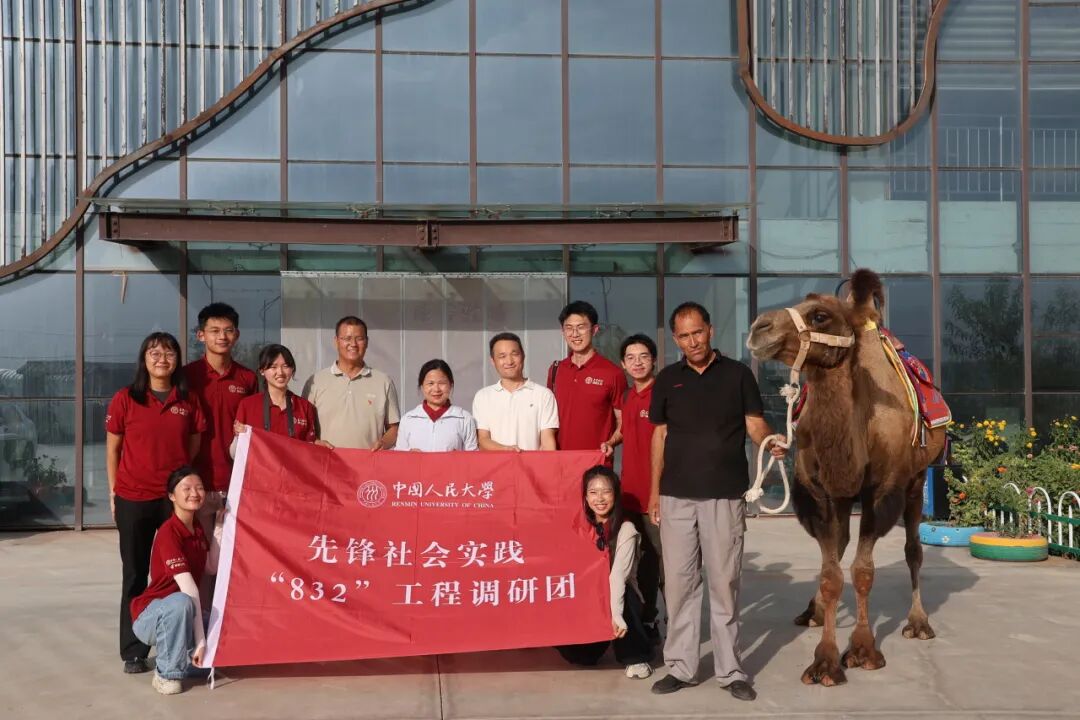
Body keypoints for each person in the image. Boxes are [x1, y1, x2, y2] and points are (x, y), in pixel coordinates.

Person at [647, 302, 785, 702]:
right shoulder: (668, 379)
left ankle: (730, 670)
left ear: (710, 330)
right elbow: (659, 436)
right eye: (684, 336)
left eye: (698, 332)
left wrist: (770, 441)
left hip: (724, 496)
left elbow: (754, 424)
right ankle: (681, 667)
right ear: (676, 340)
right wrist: (655, 491)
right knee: (679, 585)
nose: (692, 341)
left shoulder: (738, 375)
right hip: (675, 496)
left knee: (724, 584)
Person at [106, 332, 206, 675]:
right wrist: (114, 491)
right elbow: (113, 449)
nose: (162, 359)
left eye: (169, 353)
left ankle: (180, 644)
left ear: (177, 360)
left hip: (172, 500)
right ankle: (133, 650)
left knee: (175, 574)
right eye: (155, 353)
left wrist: (178, 485)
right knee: (134, 573)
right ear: (144, 359)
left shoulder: (187, 400)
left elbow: (193, 446)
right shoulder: (126, 398)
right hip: (133, 497)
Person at [556, 465, 654, 679]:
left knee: (624, 597)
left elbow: (618, 576)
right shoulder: (579, 526)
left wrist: (616, 615)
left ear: (615, 495)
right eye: (593, 492)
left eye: (606, 491)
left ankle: (635, 656)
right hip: (589, 599)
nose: (599, 498)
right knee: (580, 657)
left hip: (619, 597)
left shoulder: (626, 529)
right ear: (585, 496)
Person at [130, 466, 220, 695]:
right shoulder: (169, 532)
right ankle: (166, 674)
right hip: (152, 615)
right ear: (171, 496)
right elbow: (189, 590)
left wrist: (220, 526)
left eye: (199, 488)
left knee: (219, 622)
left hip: (183, 611)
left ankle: (188, 661)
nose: (194, 493)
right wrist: (201, 641)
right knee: (182, 602)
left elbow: (210, 567)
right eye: (186, 488)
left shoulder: (197, 528)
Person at [183, 303, 257, 537]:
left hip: (235, 480)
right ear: (201, 335)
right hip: (195, 480)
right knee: (198, 548)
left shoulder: (248, 378)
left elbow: (256, 428)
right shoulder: (187, 376)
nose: (222, 337)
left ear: (237, 335)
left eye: (228, 330)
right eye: (214, 331)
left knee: (232, 551)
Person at [617, 333, 664, 636]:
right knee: (639, 562)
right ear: (623, 364)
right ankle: (645, 620)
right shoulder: (627, 396)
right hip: (629, 496)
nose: (637, 363)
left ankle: (671, 626)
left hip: (655, 497)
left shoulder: (662, 394)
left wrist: (658, 494)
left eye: (643, 356)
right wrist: (608, 443)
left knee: (663, 564)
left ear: (654, 360)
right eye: (631, 358)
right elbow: (624, 430)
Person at [303, 315, 400, 450]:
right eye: (347, 338)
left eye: (359, 338)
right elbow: (304, 427)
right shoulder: (315, 382)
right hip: (326, 461)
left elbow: (394, 428)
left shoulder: (383, 381)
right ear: (336, 341)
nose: (353, 344)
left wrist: (383, 443)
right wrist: (316, 442)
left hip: (367, 462)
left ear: (367, 342)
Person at [547, 301, 625, 463]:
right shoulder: (556, 370)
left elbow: (624, 422)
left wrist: (610, 443)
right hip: (561, 463)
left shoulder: (613, 373)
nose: (575, 334)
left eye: (581, 327)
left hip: (597, 463)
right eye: (569, 328)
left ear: (594, 330)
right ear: (563, 332)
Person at [472, 332, 558, 451]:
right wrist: (506, 450)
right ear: (493, 361)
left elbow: (548, 443)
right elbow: (482, 440)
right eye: (502, 356)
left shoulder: (543, 395)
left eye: (514, 354)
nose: (509, 361)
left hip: (532, 463)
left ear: (523, 356)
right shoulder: (483, 396)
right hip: (497, 463)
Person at [232, 344, 326, 448]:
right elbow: (237, 449)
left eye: (285, 366)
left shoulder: (305, 407)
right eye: (273, 367)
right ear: (262, 371)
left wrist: (319, 444)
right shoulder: (247, 405)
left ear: (292, 369)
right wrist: (240, 436)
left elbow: (309, 447)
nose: (280, 372)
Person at [395, 359, 478, 452]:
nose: (436, 389)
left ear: (451, 385)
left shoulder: (464, 418)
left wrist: (459, 457)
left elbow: (473, 456)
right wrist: (409, 456)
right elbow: (399, 456)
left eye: (442, 383)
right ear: (422, 387)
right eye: (430, 383)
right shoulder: (408, 419)